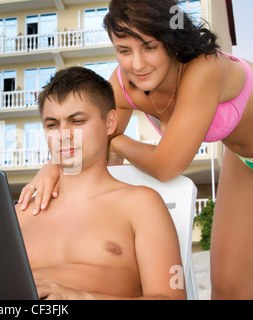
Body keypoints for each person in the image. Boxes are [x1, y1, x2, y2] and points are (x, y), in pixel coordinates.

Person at [18, 0, 253, 300]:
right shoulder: (124, 83)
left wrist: (118, 142)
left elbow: (167, 165)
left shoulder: (205, 69)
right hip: (243, 158)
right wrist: (54, 167)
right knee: (230, 291)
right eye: (124, 50)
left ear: (171, 41)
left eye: (149, 47)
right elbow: (90, 134)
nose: (137, 64)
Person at [15, 66, 186, 300]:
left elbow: (172, 298)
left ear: (110, 122)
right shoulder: (20, 214)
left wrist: (82, 298)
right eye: (52, 125)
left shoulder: (141, 204)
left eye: (77, 121)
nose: (63, 135)